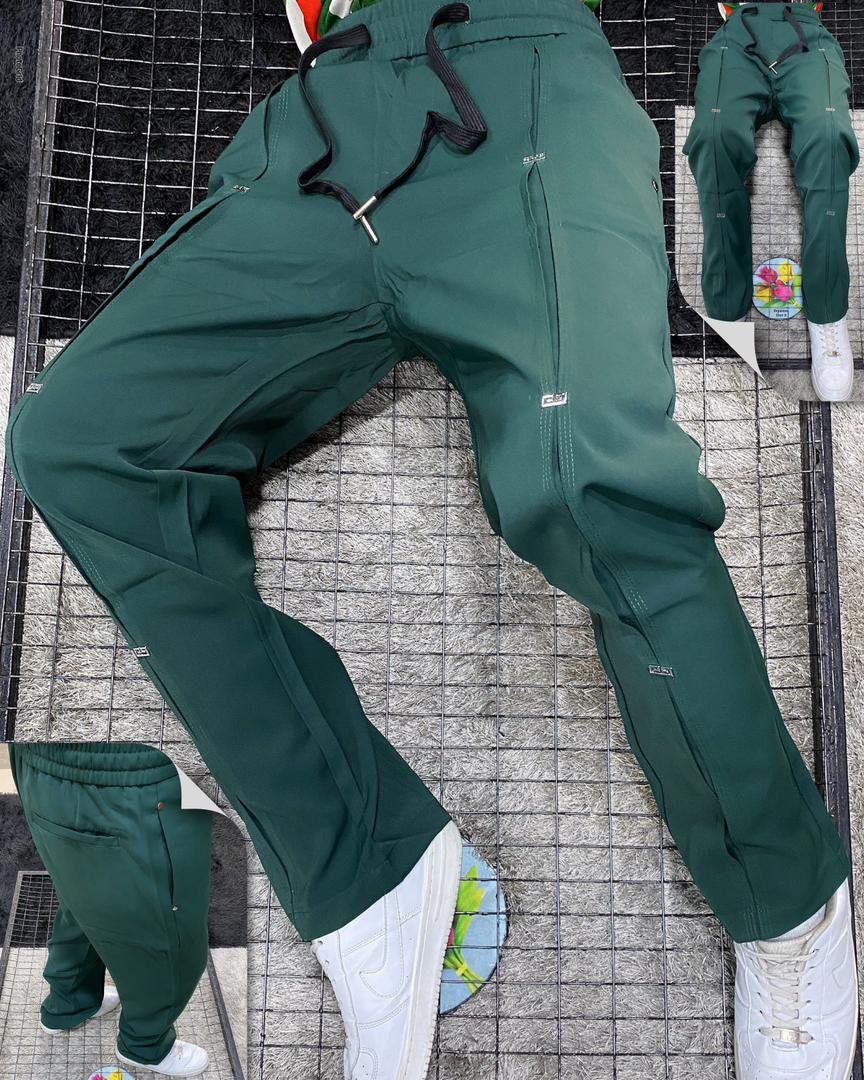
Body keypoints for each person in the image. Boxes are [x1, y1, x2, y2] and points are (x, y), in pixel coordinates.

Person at [4, 0, 857, 1076]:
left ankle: (789, 903)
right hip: (327, 116)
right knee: (79, 440)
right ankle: (375, 872)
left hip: (520, 74)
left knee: (590, 483)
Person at [684, 1, 859, 400]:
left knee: (829, 135)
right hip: (739, 30)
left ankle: (827, 312)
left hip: (805, 30)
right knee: (713, 135)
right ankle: (726, 309)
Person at [10, 742, 213, 1077]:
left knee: (82, 893)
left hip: (38, 760)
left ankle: (69, 1003)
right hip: (132, 780)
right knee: (168, 929)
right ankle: (145, 1046)